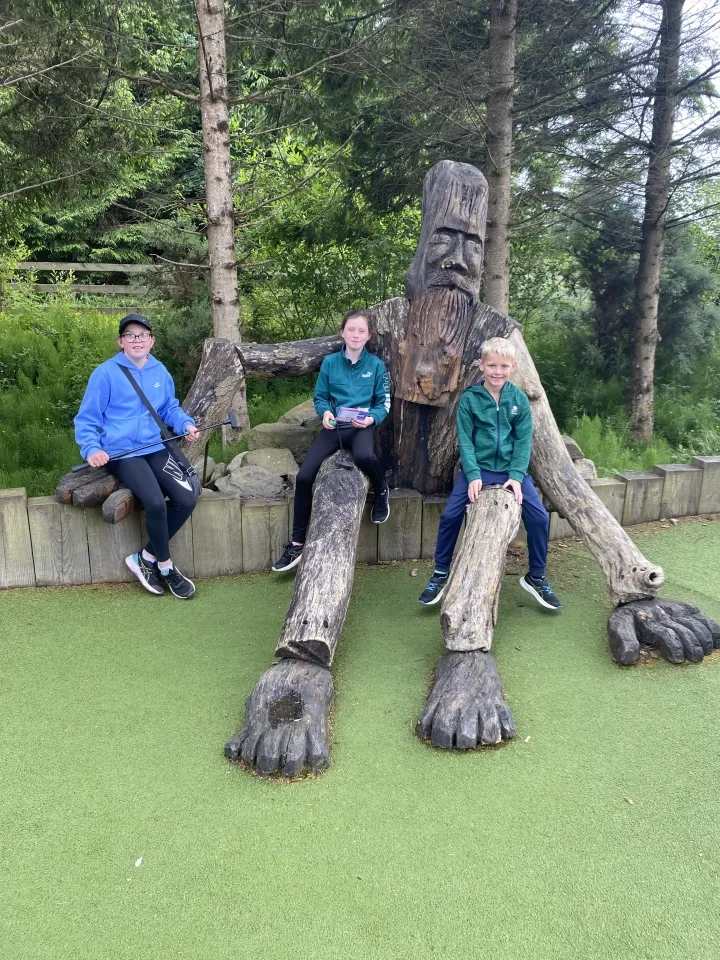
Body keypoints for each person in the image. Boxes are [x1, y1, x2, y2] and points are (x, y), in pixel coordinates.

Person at [418, 336, 561, 611]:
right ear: (481, 365)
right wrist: (473, 475)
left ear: (513, 367)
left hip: (510, 472)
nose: (498, 371)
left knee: (539, 517)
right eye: (492, 365)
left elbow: (523, 442)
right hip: (478, 471)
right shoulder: (470, 400)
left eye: (504, 366)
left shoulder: (519, 400)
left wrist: (516, 476)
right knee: (450, 515)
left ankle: (536, 576)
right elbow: (465, 440)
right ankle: (440, 573)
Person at [74, 314, 200, 598]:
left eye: (143, 335)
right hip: (123, 453)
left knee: (187, 499)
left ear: (151, 341)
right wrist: (92, 448)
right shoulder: (105, 374)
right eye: (130, 335)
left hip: (155, 446)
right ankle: (165, 567)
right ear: (121, 341)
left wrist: (185, 424)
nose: (137, 340)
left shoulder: (159, 371)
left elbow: (169, 408)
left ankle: (145, 557)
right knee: (154, 502)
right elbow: (87, 419)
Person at [272, 308, 391, 572]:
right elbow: (321, 397)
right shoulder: (329, 363)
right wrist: (325, 413)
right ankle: (296, 543)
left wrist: (371, 419)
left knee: (364, 456)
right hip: (334, 428)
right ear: (342, 333)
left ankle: (382, 490)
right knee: (304, 477)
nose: (356, 335)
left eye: (361, 331)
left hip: (361, 427)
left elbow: (383, 404)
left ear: (369, 335)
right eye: (351, 330)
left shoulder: (376, 366)